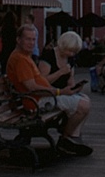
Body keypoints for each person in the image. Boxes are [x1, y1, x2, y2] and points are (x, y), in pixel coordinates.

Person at [6, 21, 92, 156]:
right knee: (83, 105)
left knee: (84, 101)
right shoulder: (20, 59)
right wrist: (60, 91)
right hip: (35, 101)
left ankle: (70, 138)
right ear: (18, 40)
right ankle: (66, 139)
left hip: (42, 97)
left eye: (33, 39)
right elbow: (32, 88)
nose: (31, 43)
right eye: (28, 39)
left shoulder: (25, 57)